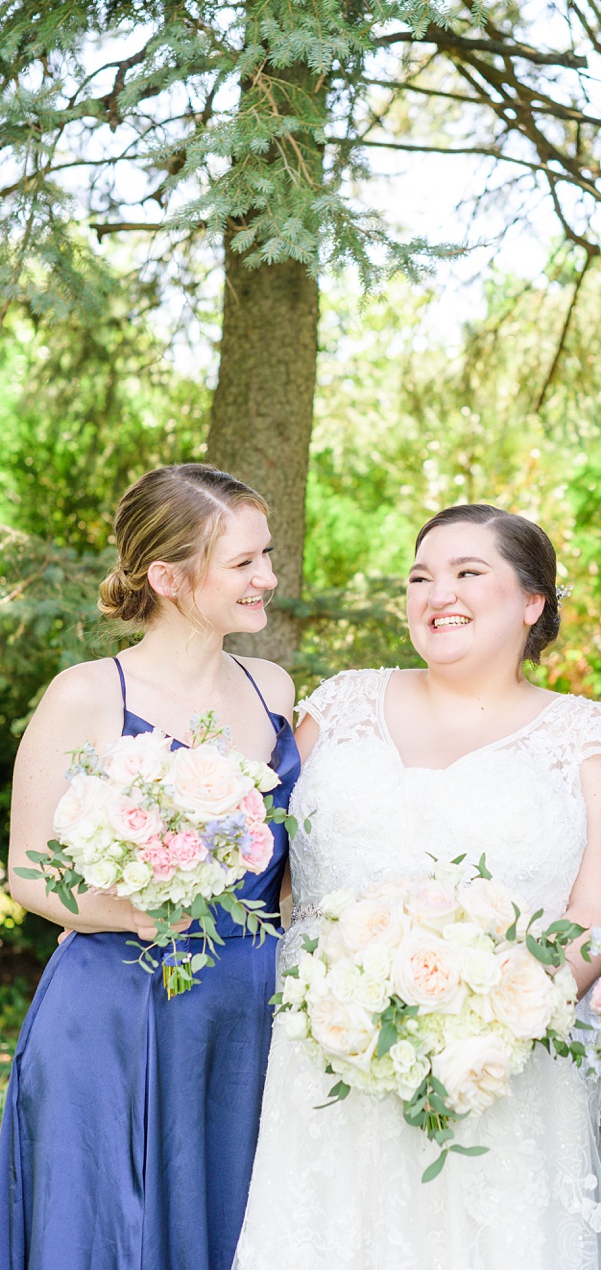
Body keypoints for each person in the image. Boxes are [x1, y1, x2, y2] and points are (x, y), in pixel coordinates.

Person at [234, 503, 601, 1268]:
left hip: (506, 1072)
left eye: (466, 573)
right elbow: (259, 861)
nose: (436, 592)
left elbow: (600, 909)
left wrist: (506, 1013)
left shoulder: (586, 735)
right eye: (420, 576)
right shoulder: (340, 703)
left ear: (531, 601)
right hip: (322, 1064)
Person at [2, 464, 296, 1270]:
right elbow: (29, 875)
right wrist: (127, 909)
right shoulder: (86, 694)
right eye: (243, 563)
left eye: (265, 555)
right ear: (167, 576)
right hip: (117, 1010)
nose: (268, 577)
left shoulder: (273, 686)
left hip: (244, 1010)